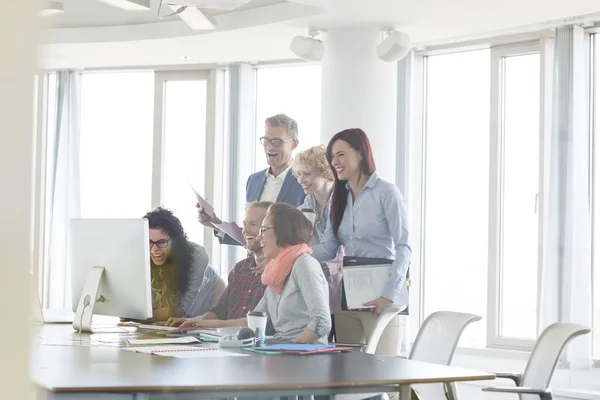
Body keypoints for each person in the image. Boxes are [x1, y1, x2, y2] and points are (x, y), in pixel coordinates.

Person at [311, 129, 411, 359]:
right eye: (332, 157)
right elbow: (328, 246)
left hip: (384, 297)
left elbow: (404, 247)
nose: (335, 162)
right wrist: (295, 255)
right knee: (348, 371)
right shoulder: (337, 198)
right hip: (350, 296)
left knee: (386, 374)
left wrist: (389, 294)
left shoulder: (386, 192)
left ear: (361, 153)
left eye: (341, 155)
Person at [175, 203, 331, 344]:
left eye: (263, 230)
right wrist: (199, 324)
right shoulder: (276, 270)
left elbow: (321, 322)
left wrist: (294, 349)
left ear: (282, 231)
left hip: (304, 356)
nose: (259, 236)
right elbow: (252, 320)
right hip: (283, 352)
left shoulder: (303, 264)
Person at [198, 114, 305, 245]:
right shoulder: (254, 181)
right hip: (254, 263)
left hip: (287, 263)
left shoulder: (304, 182)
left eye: (277, 142)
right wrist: (215, 222)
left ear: (294, 144)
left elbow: (304, 236)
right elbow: (251, 233)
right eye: (266, 141)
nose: (270, 147)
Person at [165, 202, 272, 327]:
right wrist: (191, 322)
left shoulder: (281, 272)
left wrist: (201, 323)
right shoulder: (240, 269)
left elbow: (261, 324)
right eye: (244, 224)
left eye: (253, 224)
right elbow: (219, 312)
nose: (245, 230)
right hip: (227, 340)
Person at [293, 145, 342, 342]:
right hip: (319, 272)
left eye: (308, 174)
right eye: (299, 174)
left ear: (326, 173)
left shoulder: (341, 202)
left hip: (340, 275)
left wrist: (291, 258)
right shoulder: (307, 203)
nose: (301, 180)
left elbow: (331, 247)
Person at [143, 207, 226, 322]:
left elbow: (181, 309)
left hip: (211, 296)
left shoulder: (197, 255)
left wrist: (139, 317)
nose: (154, 250)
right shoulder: (141, 251)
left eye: (162, 242)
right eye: (149, 242)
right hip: (170, 307)